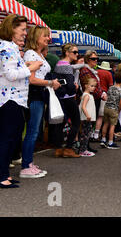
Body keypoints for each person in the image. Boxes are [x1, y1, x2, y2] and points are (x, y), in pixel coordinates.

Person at [0, 15, 43, 188]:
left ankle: (4, 174)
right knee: (7, 138)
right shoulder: (7, 47)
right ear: (12, 28)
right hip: (10, 99)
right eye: (23, 29)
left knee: (12, 138)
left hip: (13, 99)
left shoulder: (8, 47)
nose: (26, 33)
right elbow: (11, 75)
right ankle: (2, 176)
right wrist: (30, 67)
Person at [20, 26, 61, 178]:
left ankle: (29, 162)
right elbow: (31, 79)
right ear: (36, 37)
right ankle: (26, 166)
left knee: (34, 131)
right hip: (34, 96)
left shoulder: (38, 54)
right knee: (32, 131)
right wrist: (50, 83)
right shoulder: (31, 53)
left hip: (39, 95)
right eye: (45, 36)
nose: (48, 38)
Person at [53, 43, 82, 158]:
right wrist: (74, 87)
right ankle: (69, 148)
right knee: (76, 121)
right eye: (74, 52)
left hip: (60, 97)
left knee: (61, 123)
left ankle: (58, 148)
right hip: (68, 97)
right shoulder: (67, 66)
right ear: (67, 53)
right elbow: (70, 84)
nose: (77, 54)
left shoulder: (58, 64)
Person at [79, 51, 107, 148]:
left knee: (90, 124)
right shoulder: (86, 70)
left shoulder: (92, 70)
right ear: (87, 59)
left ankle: (86, 145)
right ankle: (84, 146)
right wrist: (101, 94)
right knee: (87, 124)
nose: (96, 60)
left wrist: (102, 93)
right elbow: (89, 86)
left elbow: (95, 86)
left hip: (95, 98)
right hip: (90, 98)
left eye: (97, 59)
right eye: (93, 59)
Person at [100, 71, 121, 149]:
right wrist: (119, 110)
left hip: (106, 107)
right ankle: (110, 142)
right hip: (114, 109)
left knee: (105, 123)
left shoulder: (110, 88)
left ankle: (103, 139)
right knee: (112, 126)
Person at [78, 77, 97, 157]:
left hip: (87, 118)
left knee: (86, 134)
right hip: (87, 118)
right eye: (91, 86)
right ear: (86, 86)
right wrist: (87, 115)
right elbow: (83, 106)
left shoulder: (88, 95)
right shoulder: (86, 96)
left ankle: (83, 149)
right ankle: (83, 150)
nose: (93, 88)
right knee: (85, 134)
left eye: (94, 86)